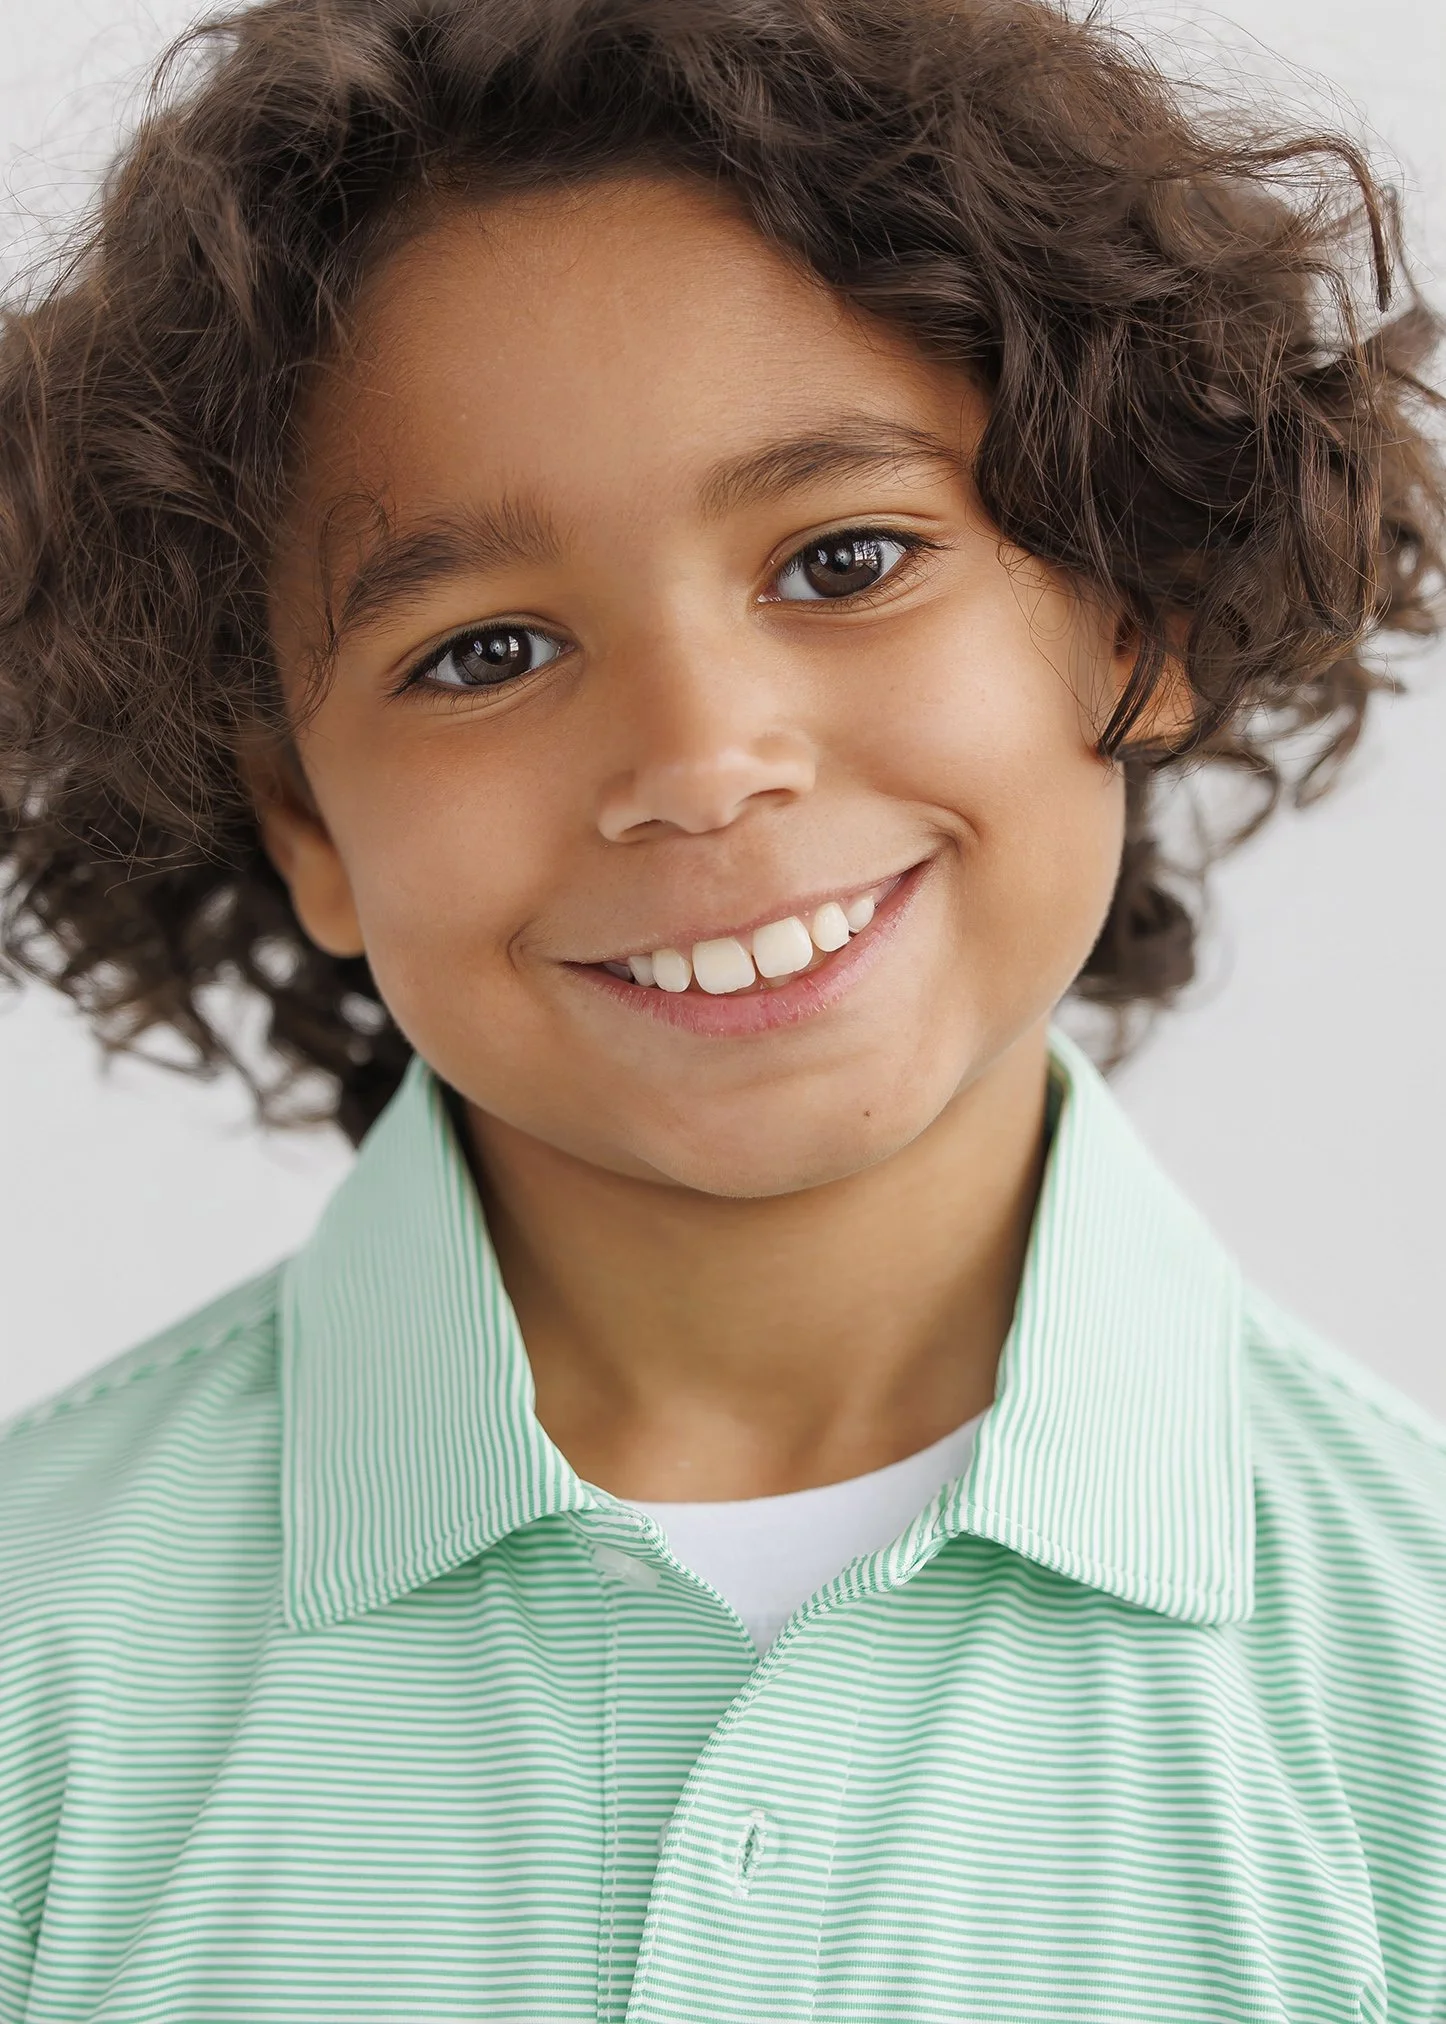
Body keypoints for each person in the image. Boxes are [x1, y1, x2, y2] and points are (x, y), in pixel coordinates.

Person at [1, 0, 1443, 2013]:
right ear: (300, 819)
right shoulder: (38, 1670)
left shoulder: (1408, 1689)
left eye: (844, 558)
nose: (697, 757)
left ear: (1139, 608)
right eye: (484, 647)